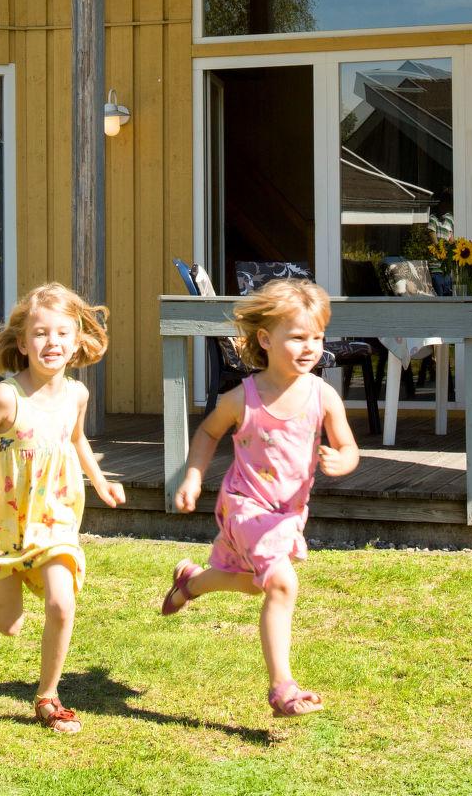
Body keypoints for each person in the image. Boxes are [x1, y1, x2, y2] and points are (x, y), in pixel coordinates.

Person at [161, 276, 359, 717]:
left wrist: (341, 462)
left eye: (317, 337)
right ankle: (282, 688)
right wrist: (192, 476)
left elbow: (349, 447)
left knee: (255, 585)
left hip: (287, 515)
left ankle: (191, 583)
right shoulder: (243, 398)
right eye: (297, 337)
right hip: (244, 506)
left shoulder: (324, 396)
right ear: (266, 340)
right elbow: (209, 432)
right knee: (283, 583)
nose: (310, 347)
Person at [0, 284, 124, 733]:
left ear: (78, 339)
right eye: (41, 333)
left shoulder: (77, 395)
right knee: (9, 625)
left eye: (62, 333)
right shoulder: (7, 398)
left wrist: (101, 481)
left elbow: (75, 439)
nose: (52, 343)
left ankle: (47, 697)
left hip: (56, 519)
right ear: (23, 342)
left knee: (61, 603)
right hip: (2, 524)